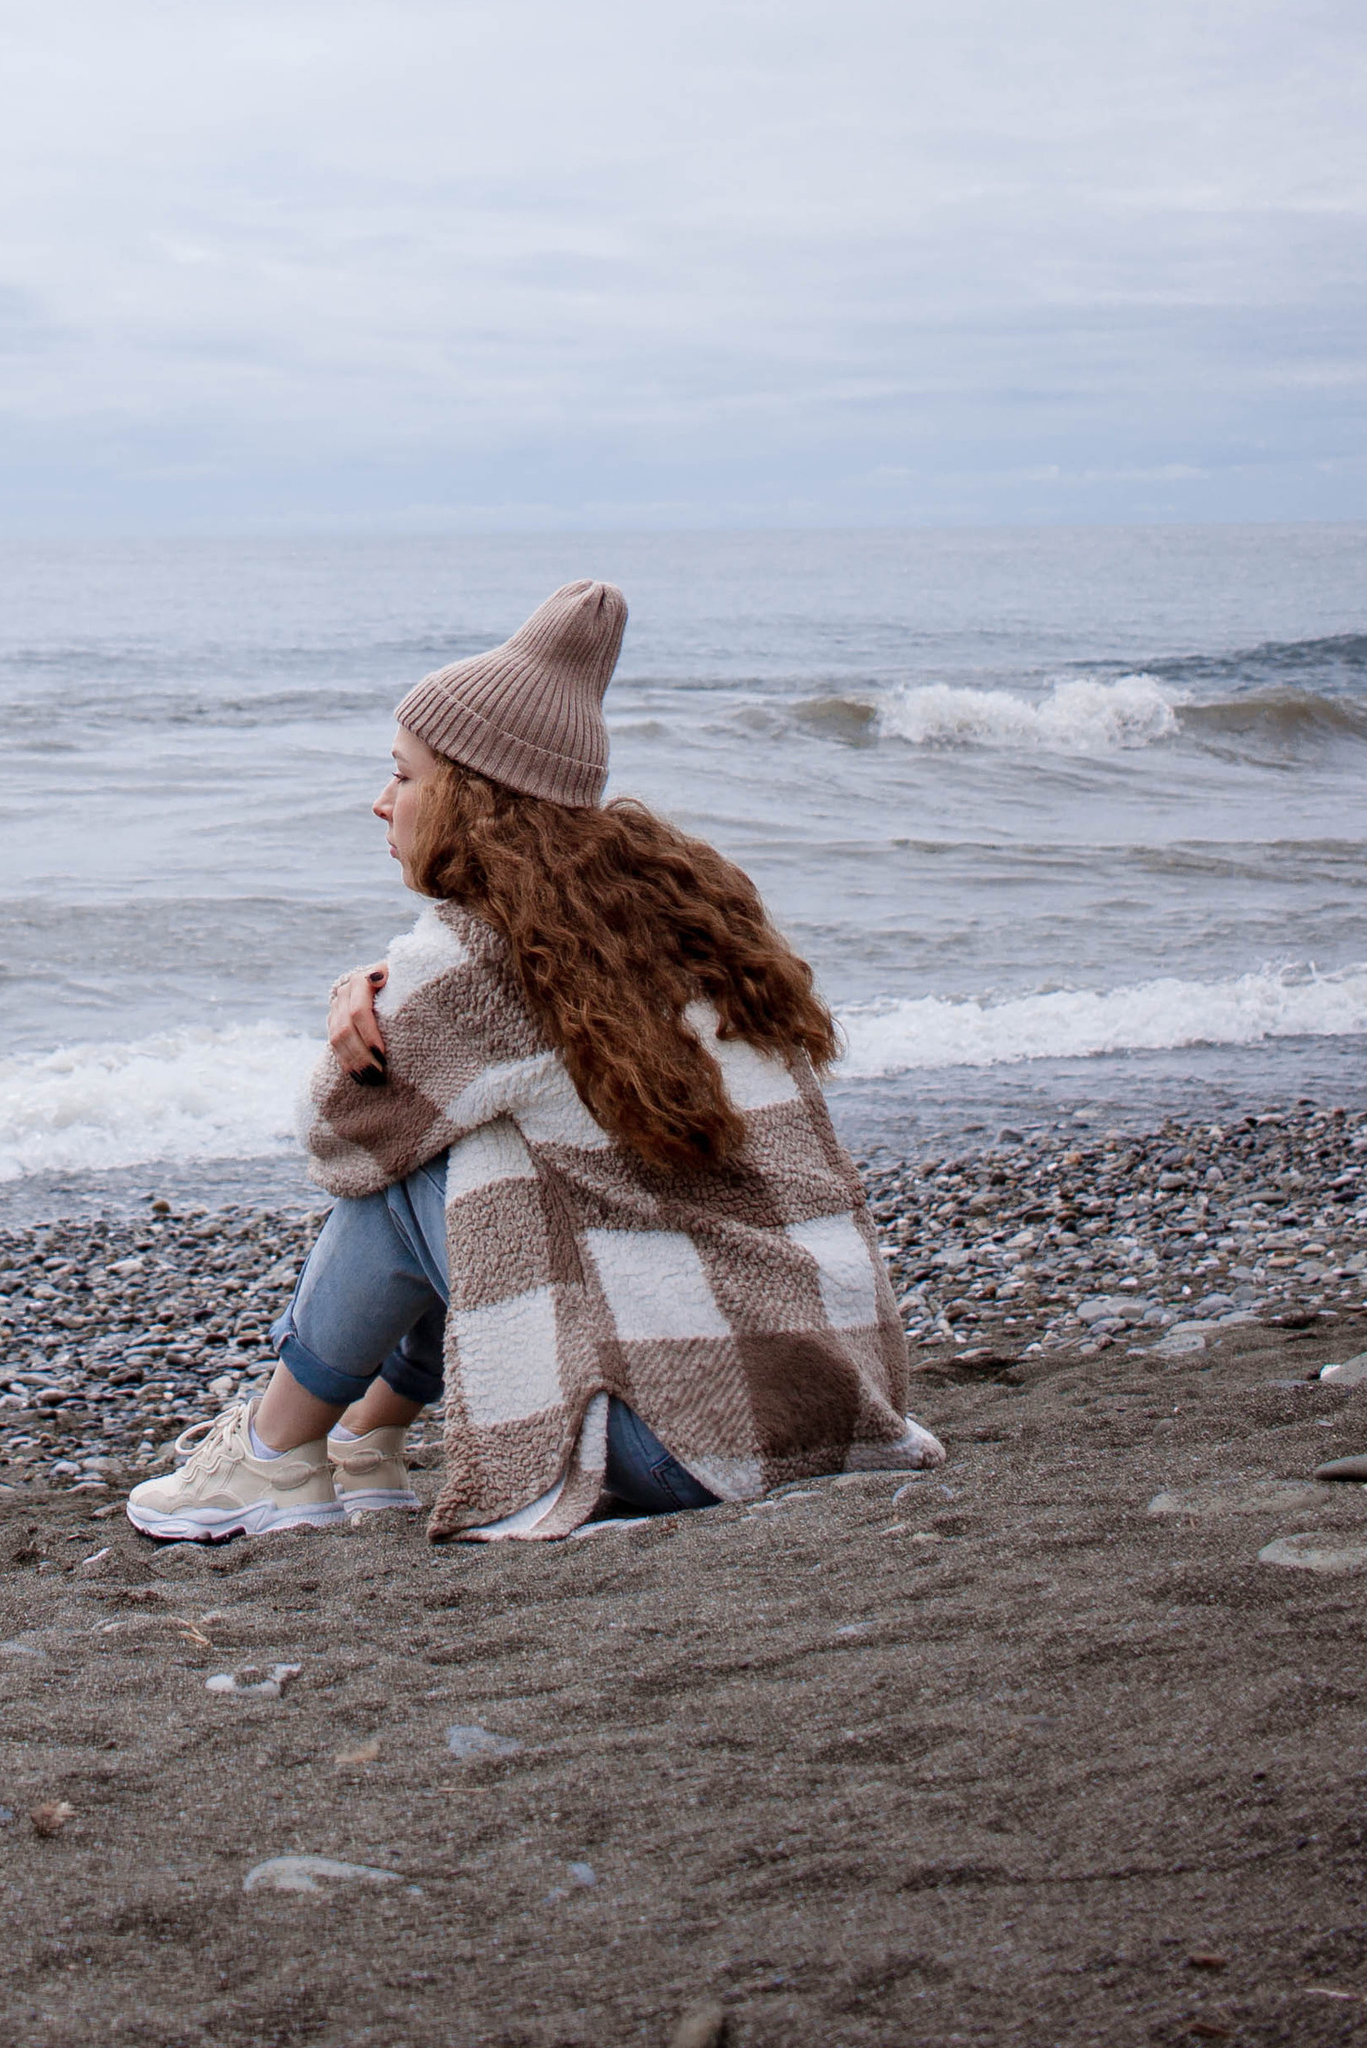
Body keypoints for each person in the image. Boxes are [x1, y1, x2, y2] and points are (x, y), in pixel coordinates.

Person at [127, 577, 942, 1542]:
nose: (380, 801)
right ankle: (367, 1445)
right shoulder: (681, 917)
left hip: (685, 1442)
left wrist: (364, 1003)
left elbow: (337, 1144)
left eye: (404, 775)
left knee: (426, 1162)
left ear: (474, 797)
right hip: (836, 1403)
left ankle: (271, 1456)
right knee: (496, 1147)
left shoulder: (480, 957)